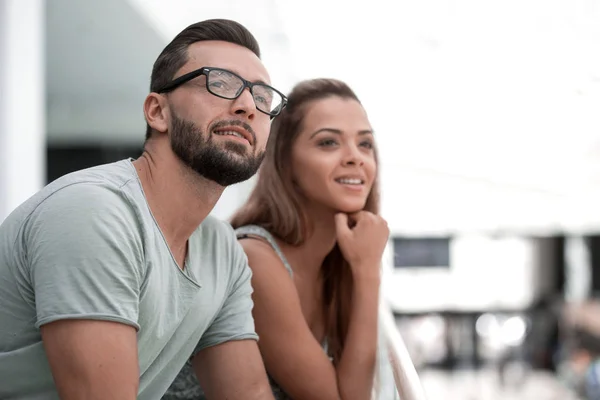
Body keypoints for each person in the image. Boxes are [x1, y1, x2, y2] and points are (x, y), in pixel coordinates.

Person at [0, 18, 288, 399]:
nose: (247, 106)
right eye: (219, 83)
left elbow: (247, 393)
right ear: (157, 111)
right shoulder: (94, 212)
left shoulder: (222, 252)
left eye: (263, 98)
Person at [165, 78, 394, 400]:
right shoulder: (255, 258)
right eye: (329, 142)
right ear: (285, 162)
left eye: (365, 144)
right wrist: (369, 270)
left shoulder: (335, 265)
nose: (355, 157)